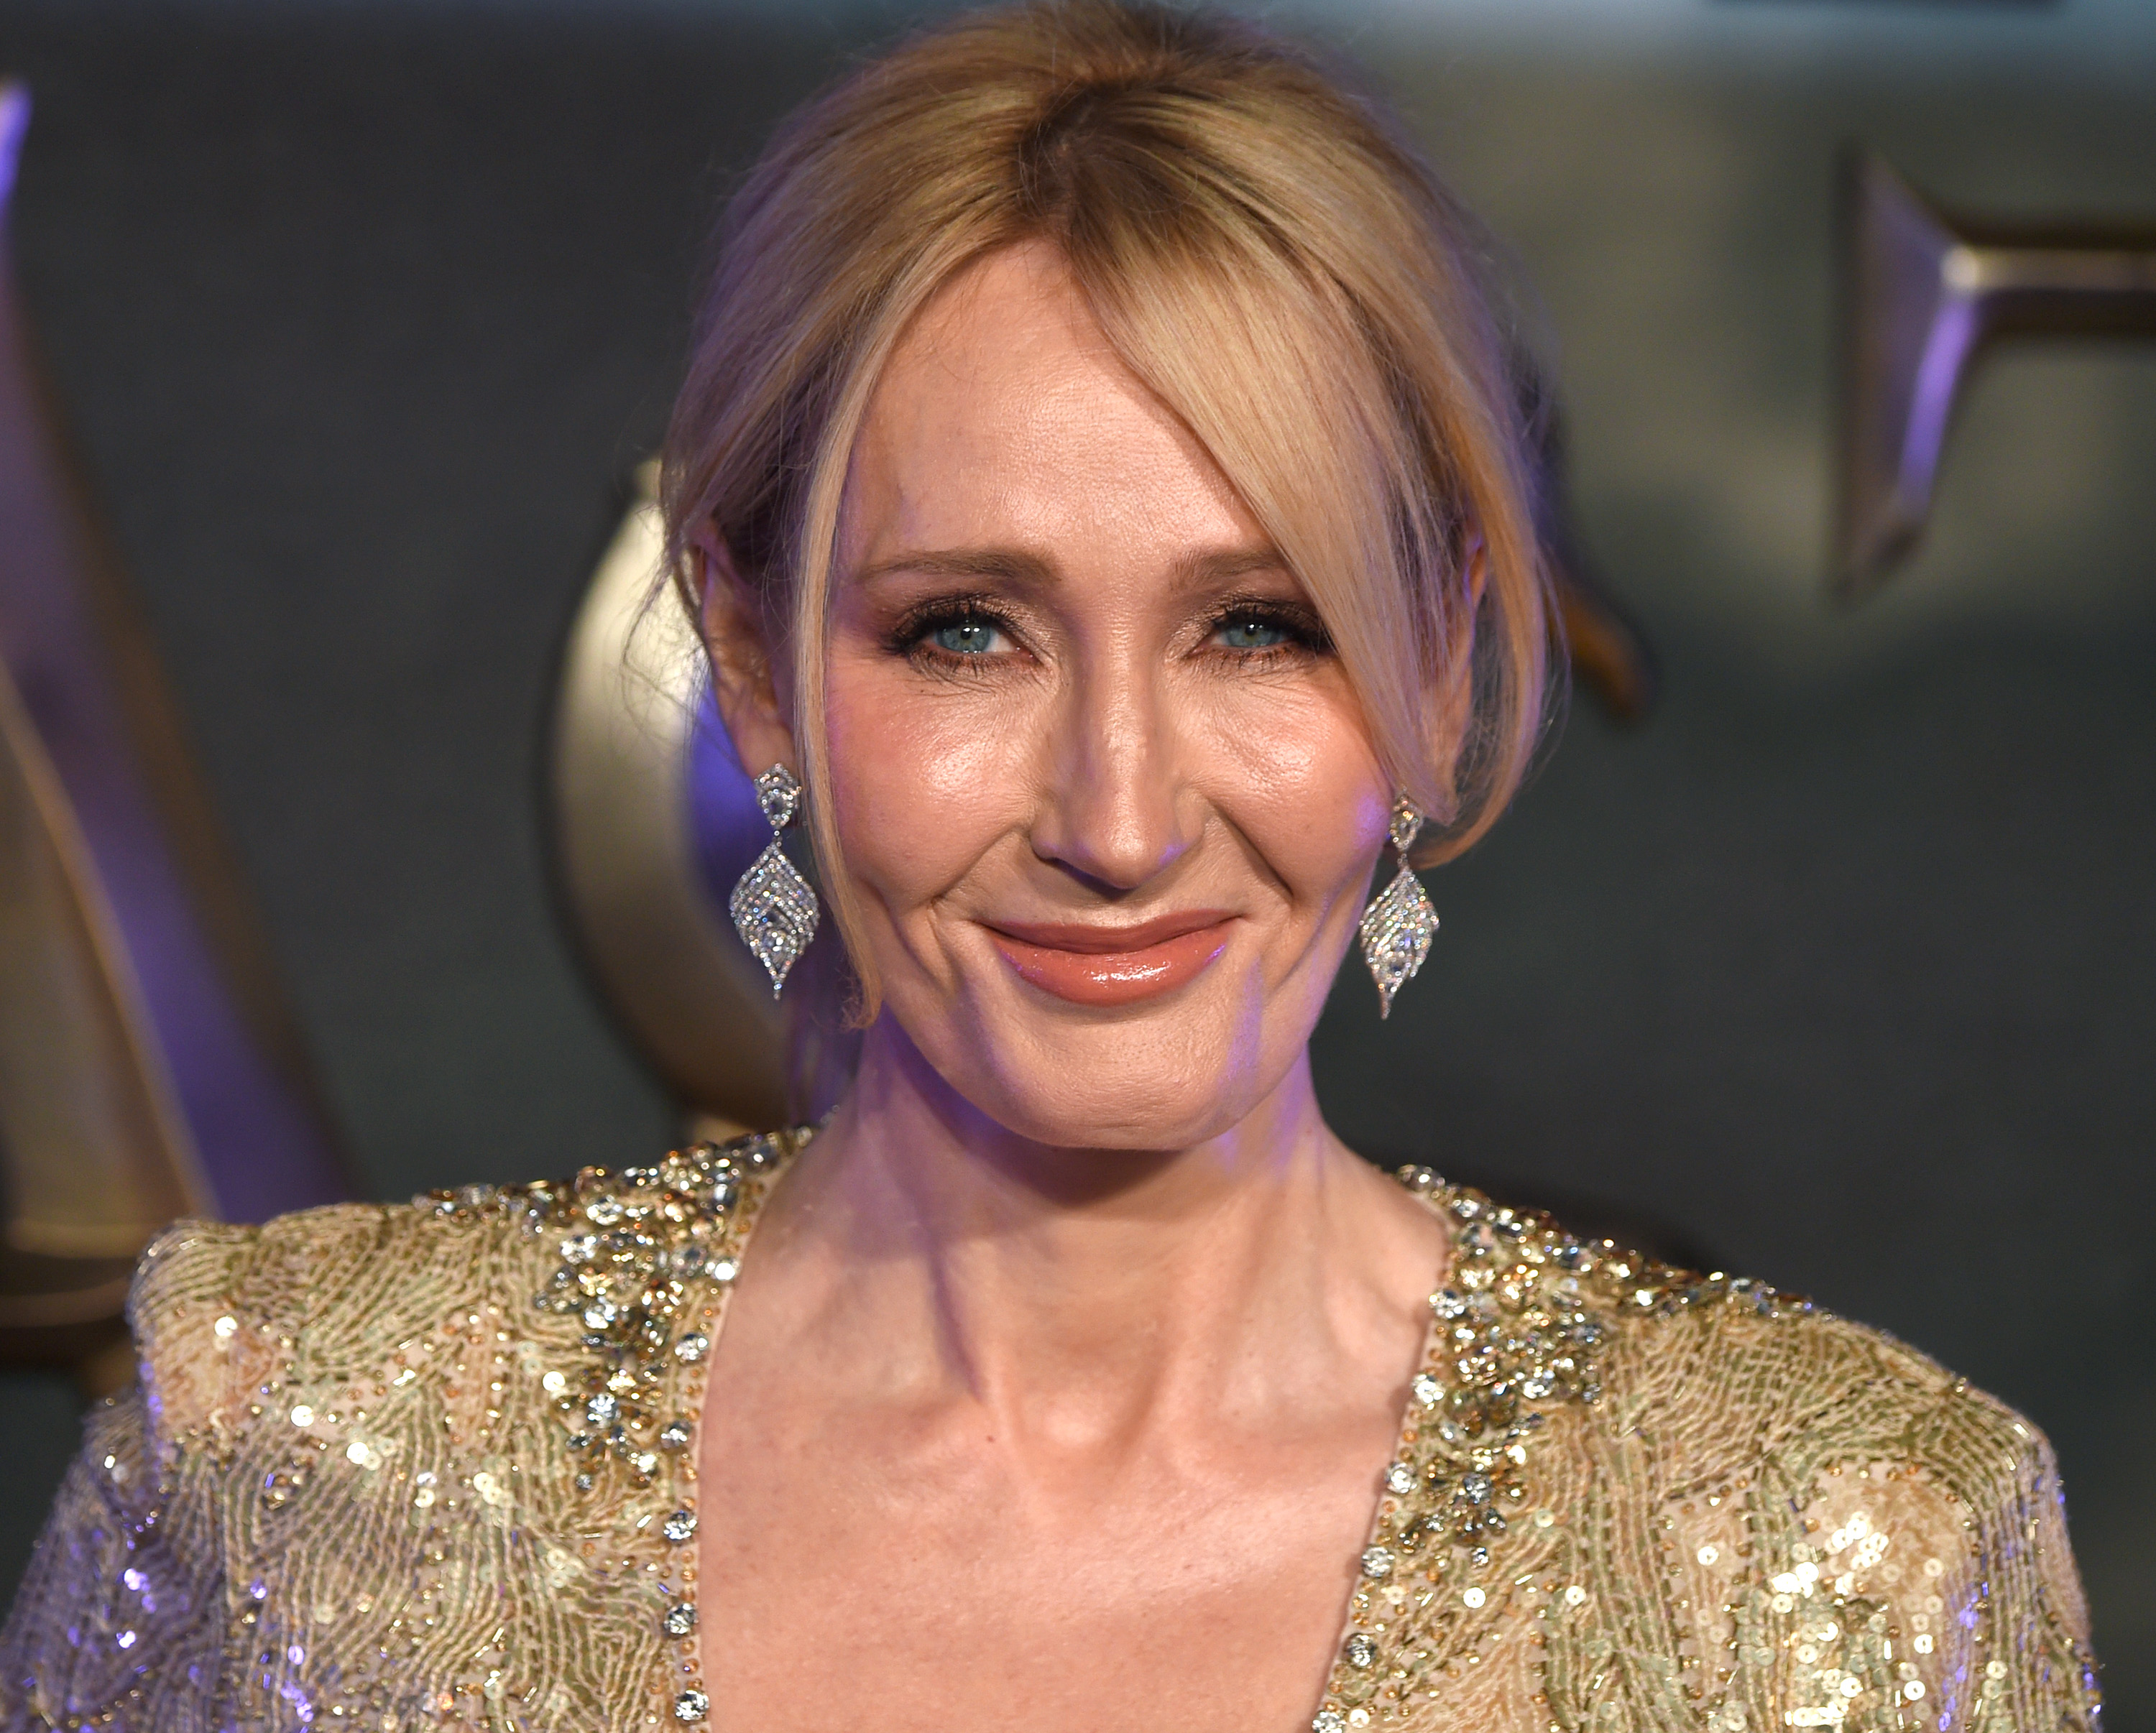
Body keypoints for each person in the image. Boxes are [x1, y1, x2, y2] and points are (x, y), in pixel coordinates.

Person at [0, 4, 2099, 1730]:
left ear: (1441, 671)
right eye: (965, 633)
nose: (1116, 818)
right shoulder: (281, 1461)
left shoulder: (1843, 1557)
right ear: (753, 663)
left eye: (1257, 626)